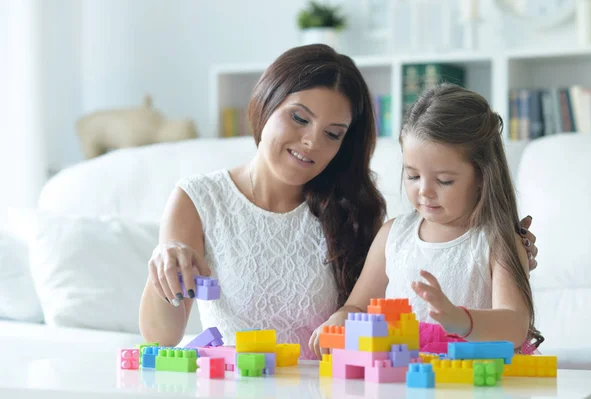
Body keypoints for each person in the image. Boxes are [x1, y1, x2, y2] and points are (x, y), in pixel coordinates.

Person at [138, 44, 539, 360]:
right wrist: (164, 263)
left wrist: (495, 243)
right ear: (266, 102)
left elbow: (387, 292)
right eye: (299, 118)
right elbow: (162, 337)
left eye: (333, 133)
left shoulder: (354, 209)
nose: (311, 141)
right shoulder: (198, 199)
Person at [310, 83, 542, 357]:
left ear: (482, 177)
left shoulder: (496, 241)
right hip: (403, 377)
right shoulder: (392, 236)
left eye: (444, 180)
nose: (424, 191)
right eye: (412, 176)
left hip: (476, 380)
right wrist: (340, 319)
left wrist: (461, 320)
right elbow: (357, 307)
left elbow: (515, 325)